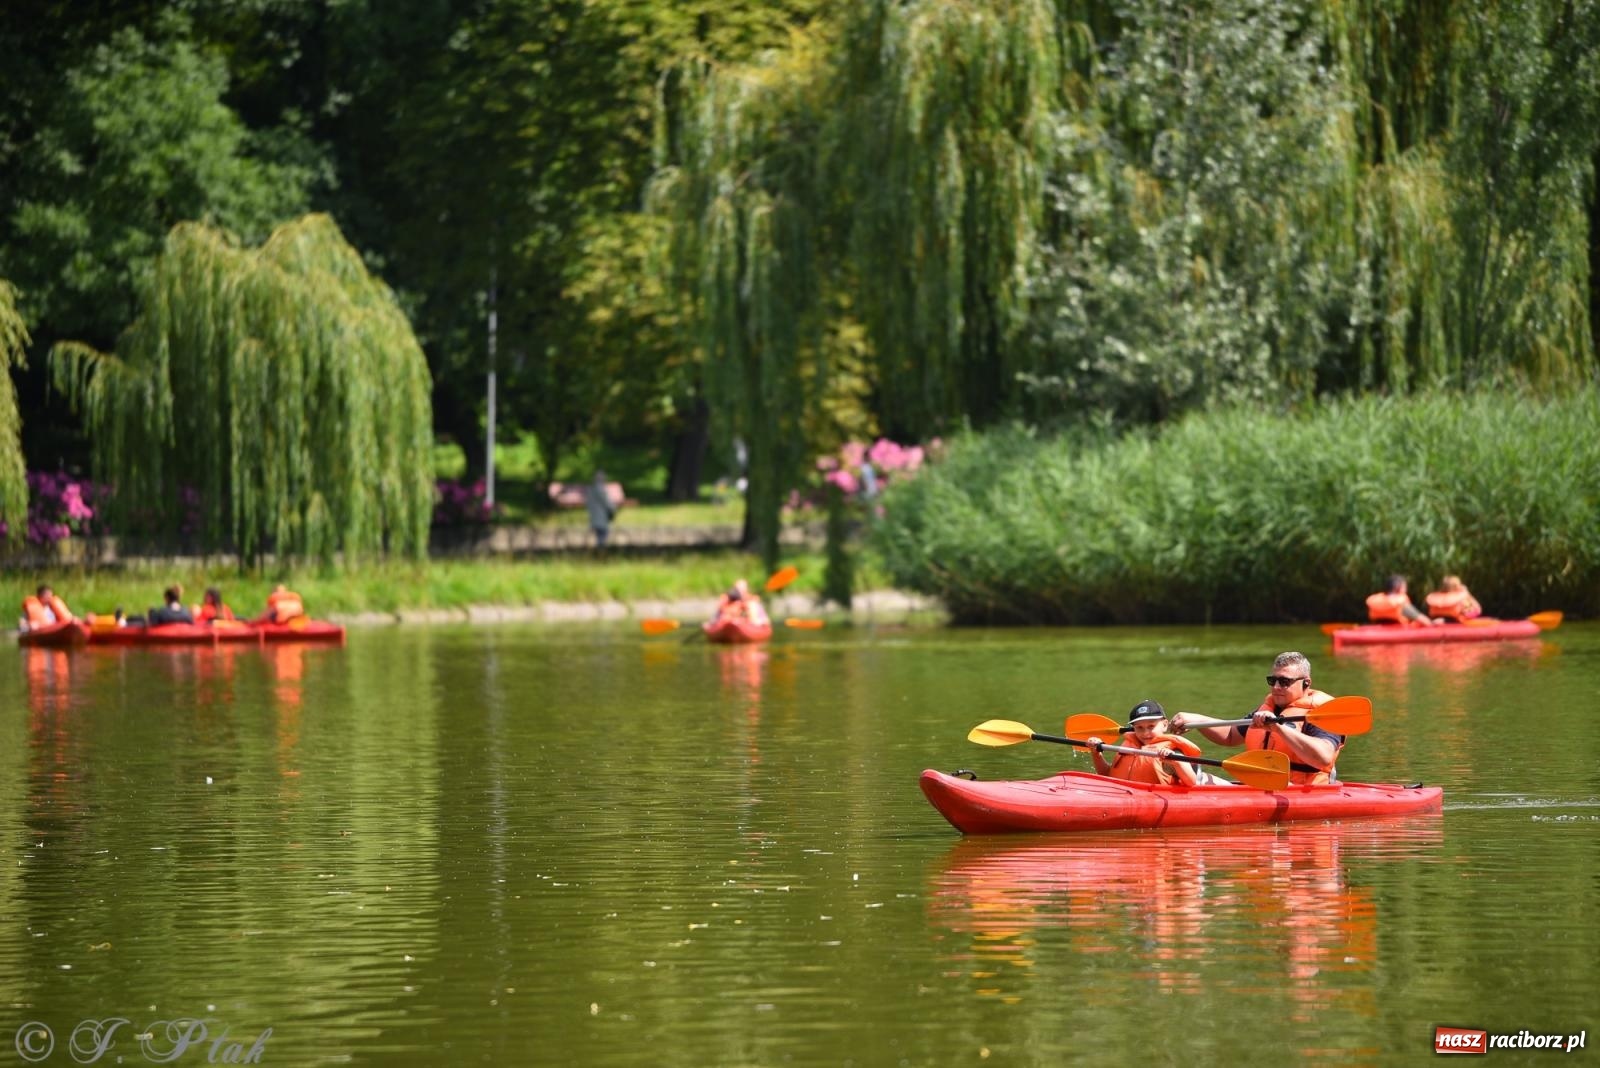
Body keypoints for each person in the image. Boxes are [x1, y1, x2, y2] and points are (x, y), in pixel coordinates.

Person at [1171, 651, 1344, 786]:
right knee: (1193, 777)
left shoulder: (1323, 712)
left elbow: (1323, 757)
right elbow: (1231, 735)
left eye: (1284, 682)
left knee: (1197, 778)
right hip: (1262, 786)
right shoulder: (1270, 708)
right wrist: (1197, 720)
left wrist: (1278, 729)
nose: (1276, 687)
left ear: (1306, 682)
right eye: (1272, 680)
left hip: (1306, 792)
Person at [1085, 700, 1202, 786]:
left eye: (1151, 726)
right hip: (1122, 795)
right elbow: (1107, 776)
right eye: (1139, 728)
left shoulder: (1173, 751)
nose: (1146, 733)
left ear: (1165, 725)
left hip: (1154, 800)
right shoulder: (1128, 746)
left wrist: (1176, 762)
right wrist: (1096, 753)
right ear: (1133, 728)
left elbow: (1191, 783)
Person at [1365, 574, 1439, 626]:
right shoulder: (1400, 603)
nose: (1406, 589)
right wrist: (1432, 623)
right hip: (1396, 631)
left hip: (1378, 629)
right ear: (1398, 588)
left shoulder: (1377, 601)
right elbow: (1424, 621)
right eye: (1404, 587)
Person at [585, 468, 616, 549]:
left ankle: (600, 550)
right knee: (603, 534)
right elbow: (606, 501)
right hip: (600, 517)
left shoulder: (592, 489)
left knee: (600, 534)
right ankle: (600, 551)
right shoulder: (599, 489)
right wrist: (613, 508)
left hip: (595, 516)